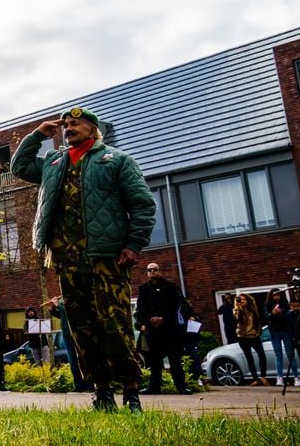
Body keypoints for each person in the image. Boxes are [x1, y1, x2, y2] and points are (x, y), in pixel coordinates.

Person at [10, 106, 155, 413]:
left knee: (115, 326)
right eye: (66, 125)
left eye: (76, 124)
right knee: (82, 329)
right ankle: (101, 393)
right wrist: (37, 135)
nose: (68, 128)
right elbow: (19, 167)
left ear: (93, 129)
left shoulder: (116, 160)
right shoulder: (54, 161)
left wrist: (133, 245)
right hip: (67, 261)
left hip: (107, 259)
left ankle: (131, 393)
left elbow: (142, 204)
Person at [134, 263, 191, 395]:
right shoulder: (143, 288)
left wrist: (162, 318)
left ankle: (181, 386)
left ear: (160, 271)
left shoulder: (170, 286)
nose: (152, 272)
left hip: (169, 329)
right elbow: (141, 308)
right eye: (149, 270)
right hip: (152, 330)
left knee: (174, 359)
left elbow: (175, 305)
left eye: (155, 270)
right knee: (154, 360)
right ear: (147, 273)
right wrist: (149, 320)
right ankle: (154, 386)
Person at [46, 295, 90, 391]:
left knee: (83, 360)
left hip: (75, 333)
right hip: (66, 334)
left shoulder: (74, 300)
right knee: (72, 361)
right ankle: (78, 386)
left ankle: (89, 385)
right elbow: (62, 316)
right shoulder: (62, 302)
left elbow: (68, 313)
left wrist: (57, 305)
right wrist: (52, 309)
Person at [265, 288, 298, 386]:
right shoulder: (267, 305)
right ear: (271, 296)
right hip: (275, 332)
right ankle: (280, 377)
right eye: (274, 295)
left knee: (290, 354)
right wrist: (272, 314)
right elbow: (266, 316)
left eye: (278, 295)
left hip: (285, 331)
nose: (276, 297)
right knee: (278, 355)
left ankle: (296, 377)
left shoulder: (284, 304)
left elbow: (288, 314)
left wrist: (281, 312)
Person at [233, 293, 268, 385]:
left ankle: (263, 377)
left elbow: (258, 322)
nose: (242, 301)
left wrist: (258, 332)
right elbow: (238, 318)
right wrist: (239, 307)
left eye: (244, 299)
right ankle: (256, 379)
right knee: (249, 358)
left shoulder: (253, 310)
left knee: (262, 355)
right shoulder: (237, 310)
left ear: (248, 300)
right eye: (240, 299)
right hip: (243, 338)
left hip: (254, 336)